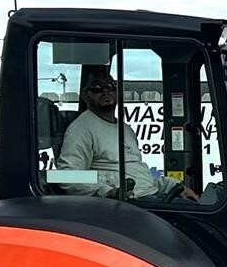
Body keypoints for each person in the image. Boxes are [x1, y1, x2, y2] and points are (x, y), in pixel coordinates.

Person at [55, 69, 192, 200]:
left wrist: (172, 185)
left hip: (147, 196)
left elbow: (139, 178)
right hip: (124, 204)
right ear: (85, 95)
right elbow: (66, 176)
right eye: (97, 88)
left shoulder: (125, 129)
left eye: (111, 86)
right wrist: (108, 191)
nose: (105, 91)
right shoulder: (81, 128)